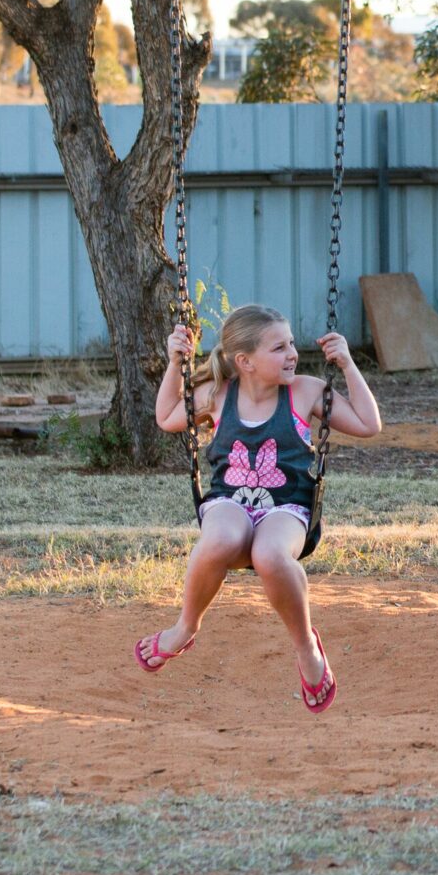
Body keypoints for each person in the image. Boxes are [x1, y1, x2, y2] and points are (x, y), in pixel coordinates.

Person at [135, 302, 381, 709]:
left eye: (291, 344)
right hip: (229, 500)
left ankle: (306, 647)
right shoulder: (218, 395)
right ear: (245, 361)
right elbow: (166, 417)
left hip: (287, 508)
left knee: (269, 553)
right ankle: (185, 627)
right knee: (221, 538)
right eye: (279, 348)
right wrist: (174, 362)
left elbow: (369, 425)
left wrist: (348, 365)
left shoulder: (304, 391)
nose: (292, 354)